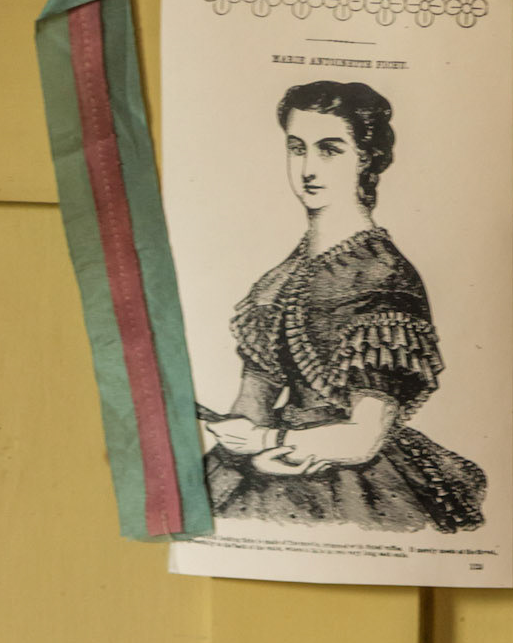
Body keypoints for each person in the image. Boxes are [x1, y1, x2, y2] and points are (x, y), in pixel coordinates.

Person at [201, 79, 485, 533]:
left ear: (366, 160)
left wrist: (270, 438)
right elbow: (251, 405)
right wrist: (235, 434)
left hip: (356, 480)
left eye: (329, 149)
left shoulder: (385, 277)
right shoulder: (275, 281)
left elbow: (364, 438)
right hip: (267, 464)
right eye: (297, 148)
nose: (308, 168)